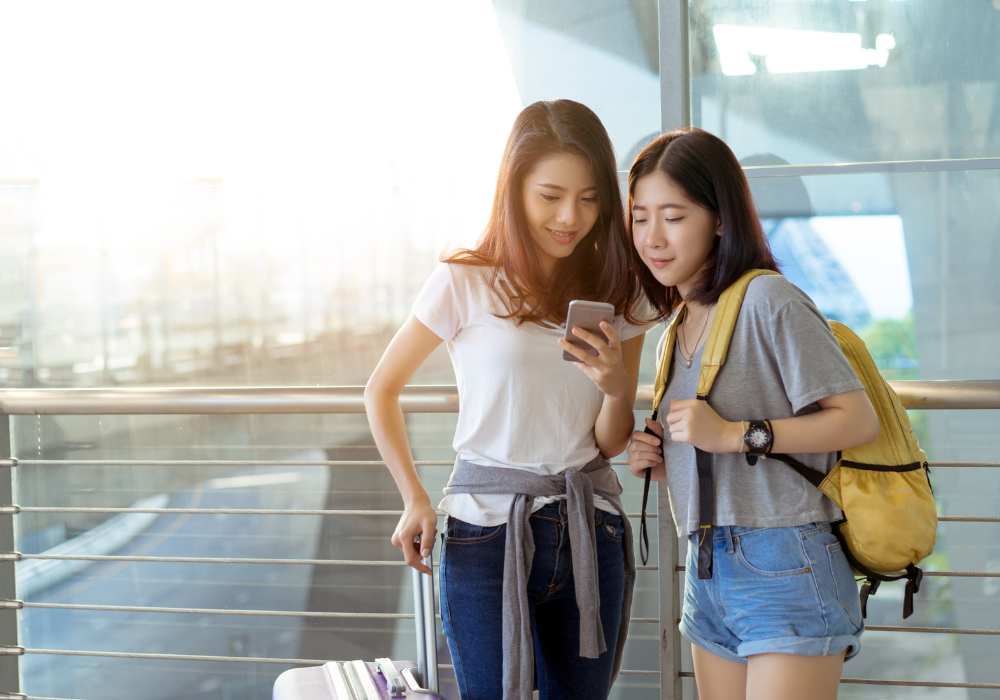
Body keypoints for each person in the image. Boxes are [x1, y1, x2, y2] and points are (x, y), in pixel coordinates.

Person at [364, 99, 653, 700]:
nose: (570, 216)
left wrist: (614, 387)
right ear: (513, 189)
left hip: (588, 527)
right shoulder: (464, 280)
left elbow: (609, 442)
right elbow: (381, 390)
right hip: (485, 534)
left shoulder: (617, 292)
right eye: (550, 196)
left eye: (589, 198)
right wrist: (414, 497)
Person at [624, 127, 879, 700]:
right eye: (640, 218)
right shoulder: (676, 328)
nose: (652, 237)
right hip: (707, 567)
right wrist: (667, 460)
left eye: (673, 216)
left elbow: (858, 420)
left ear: (720, 219)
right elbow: (718, 449)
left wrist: (736, 434)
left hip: (785, 559)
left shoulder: (769, 300)